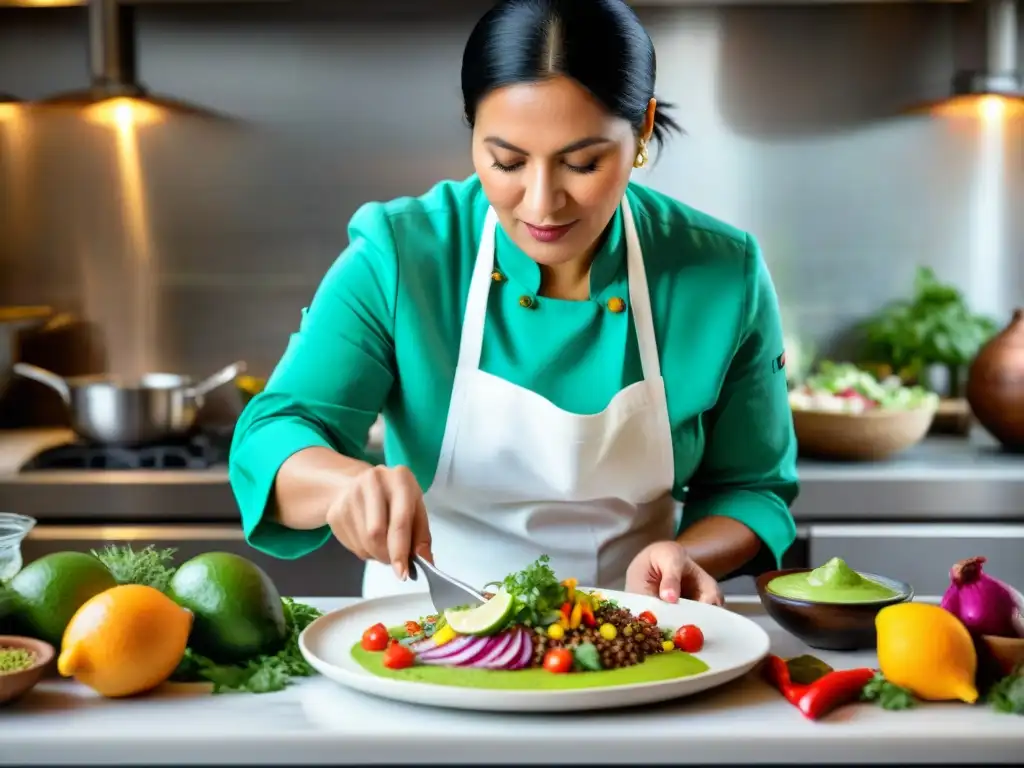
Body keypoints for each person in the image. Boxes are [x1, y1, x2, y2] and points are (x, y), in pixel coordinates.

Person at [229, 0, 799, 606]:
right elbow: (273, 434)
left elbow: (752, 489)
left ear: (642, 129)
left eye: (582, 163)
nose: (540, 203)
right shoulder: (403, 254)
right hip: (423, 629)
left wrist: (686, 554)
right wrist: (343, 485)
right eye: (507, 161)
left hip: (636, 637)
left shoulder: (719, 271)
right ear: (472, 129)